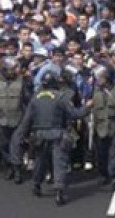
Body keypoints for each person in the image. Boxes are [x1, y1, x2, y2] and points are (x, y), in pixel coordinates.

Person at [14, 72, 86, 206]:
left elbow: (27, 120)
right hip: (58, 134)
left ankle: (36, 184)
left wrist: (21, 136)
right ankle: (59, 191)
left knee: (40, 161)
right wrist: (87, 108)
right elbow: (74, 114)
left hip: (39, 135)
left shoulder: (35, 98)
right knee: (59, 163)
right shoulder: (61, 97)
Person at [0, 56, 32, 183]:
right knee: (3, 145)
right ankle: (9, 166)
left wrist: (29, 118)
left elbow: (28, 101)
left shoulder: (22, 81)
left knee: (16, 145)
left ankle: (17, 170)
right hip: (0, 119)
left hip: (18, 119)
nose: (14, 71)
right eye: (11, 69)